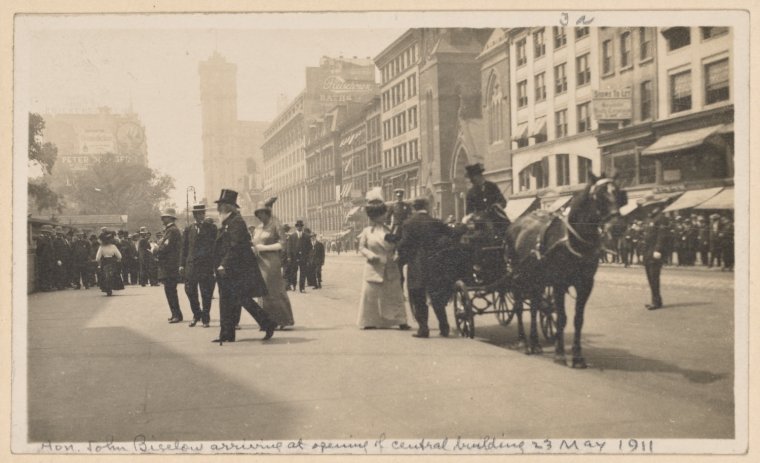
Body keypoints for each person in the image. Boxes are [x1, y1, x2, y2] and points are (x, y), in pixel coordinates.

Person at [212, 189, 276, 344]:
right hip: (230, 269)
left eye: (221, 205)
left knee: (241, 300)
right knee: (229, 301)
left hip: (237, 269)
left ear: (228, 206)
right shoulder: (229, 222)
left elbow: (234, 246)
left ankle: (267, 323)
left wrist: (223, 264)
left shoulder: (236, 222)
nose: (219, 208)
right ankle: (227, 334)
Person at [397, 197, 453, 337]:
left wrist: (401, 258)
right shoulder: (435, 222)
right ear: (426, 207)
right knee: (436, 297)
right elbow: (451, 234)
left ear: (413, 208)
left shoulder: (408, 223)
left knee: (418, 297)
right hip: (435, 263)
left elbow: (404, 245)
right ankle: (444, 327)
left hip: (416, 265)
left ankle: (423, 329)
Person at [356, 188, 410, 330]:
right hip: (374, 267)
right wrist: (370, 255)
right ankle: (368, 321)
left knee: (395, 295)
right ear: (375, 216)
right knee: (370, 296)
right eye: (381, 214)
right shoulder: (367, 232)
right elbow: (361, 247)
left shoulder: (389, 230)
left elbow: (396, 244)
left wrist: (397, 252)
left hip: (390, 266)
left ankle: (400, 320)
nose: (384, 216)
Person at [252, 197, 295, 329]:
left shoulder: (276, 225)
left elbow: (282, 244)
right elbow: (254, 242)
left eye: (262, 213)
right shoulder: (258, 227)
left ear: (267, 212)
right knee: (262, 291)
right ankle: (266, 320)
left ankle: (282, 320)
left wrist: (264, 248)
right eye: (258, 213)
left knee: (273, 290)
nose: (260, 216)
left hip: (271, 262)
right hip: (259, 262)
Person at [180, 203, 217, 328]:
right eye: (197, 213)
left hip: (206, 266)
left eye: (202, 213)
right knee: (190, 291)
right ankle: (197, 314)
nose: (200, 215)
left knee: (206, 293)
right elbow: (184, 248)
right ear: (194, 215)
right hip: (191, 266)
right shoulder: (188, 229)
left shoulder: (211, 228)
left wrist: (215, 265)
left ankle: (205, 318)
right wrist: (181, 264)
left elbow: (215, 247)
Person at [156, 208, 184, 323]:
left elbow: (165, 247)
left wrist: (156, 249)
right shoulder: (170, 230)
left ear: (170, 218)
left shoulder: (172, 231)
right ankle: (175, 314)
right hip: (169, 265)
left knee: (170, 291)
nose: (162, 219)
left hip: (169, 266)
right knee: (170, 291)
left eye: (164, 217)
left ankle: (176, 314)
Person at [642, 207, 667, 310]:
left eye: (649, 206)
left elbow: (662, 235)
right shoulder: (649, 219)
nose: (647, 209)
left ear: (656, 206)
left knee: (654, 277)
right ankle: (655, 300)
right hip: (647, 253)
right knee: (650, 277)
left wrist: (658, 249)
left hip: (654, 252)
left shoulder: (661, 218)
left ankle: (656, 302)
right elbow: (645, 236)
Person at [286, 219, 313, 293]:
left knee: (303, 273)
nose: (299, 227)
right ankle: (294, 285)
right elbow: (289, 247)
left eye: (301, 226)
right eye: (298, 226)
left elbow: (310, 248)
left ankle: (302, 288)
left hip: (303, 258)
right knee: (294, 272)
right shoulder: (292, 236)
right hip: (294, 257)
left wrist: (309, 257)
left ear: (302, 227)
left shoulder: (306, 236)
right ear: (296, 227)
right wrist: (289, 257)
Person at [96, 230, 124, 296]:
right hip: (112, 261)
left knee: (104, 275)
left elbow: (97, 258)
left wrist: (99, 263)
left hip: (105, 262)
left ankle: (107, 288)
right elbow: (120, 256)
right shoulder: (113, 246)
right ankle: (112, 286)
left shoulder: (101, 247)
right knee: (114, 274)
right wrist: (117, 260)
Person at [35, 225, 56, 291]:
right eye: (48, 232)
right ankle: (44, 287)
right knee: (44, 273)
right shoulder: (41, 239)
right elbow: (38, 250)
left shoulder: (49, 239)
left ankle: (48, 286)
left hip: (49, 259)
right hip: (44, 259)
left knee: (48, 273)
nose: (49, 234)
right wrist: (41, 257)